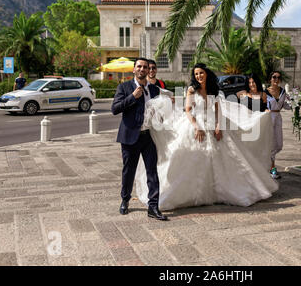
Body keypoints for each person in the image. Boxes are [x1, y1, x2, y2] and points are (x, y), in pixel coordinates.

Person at [134, 63, 278, 211]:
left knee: (227, 156)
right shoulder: (192, 90)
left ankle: (221, 191)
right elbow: (188, 111)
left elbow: (218, 109)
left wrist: (218, 126)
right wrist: (197, 127)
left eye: (201, 73)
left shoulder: (213, 89)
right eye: (196, 74)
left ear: (206, 73)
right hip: (196, 125)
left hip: (213, 124)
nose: (199, 76)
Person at [111, 57, 168, 221]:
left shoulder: (155, 90)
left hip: (148, 136)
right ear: (134, 69)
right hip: (130, 137)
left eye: (146, 67)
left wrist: (161, 116)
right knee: (128, 171)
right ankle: (125, 200)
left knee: (152, 172)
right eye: (139, 67)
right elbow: (115, 109)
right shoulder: (125, 87)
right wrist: (133, 97)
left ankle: (153, 207)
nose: (143, 69)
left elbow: (159, 112)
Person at [264, 71, 291, 179]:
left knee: (278, 144)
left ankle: (269, 166)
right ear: (270, 79)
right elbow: (260, 106)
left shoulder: (283, 91)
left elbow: (285, 105)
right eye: (274, 77)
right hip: (268, 118)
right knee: (270, 143)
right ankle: (272, 168)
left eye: (278, 77)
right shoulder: (265, 92)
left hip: (278, 118)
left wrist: (296, 104)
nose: (276, 79)